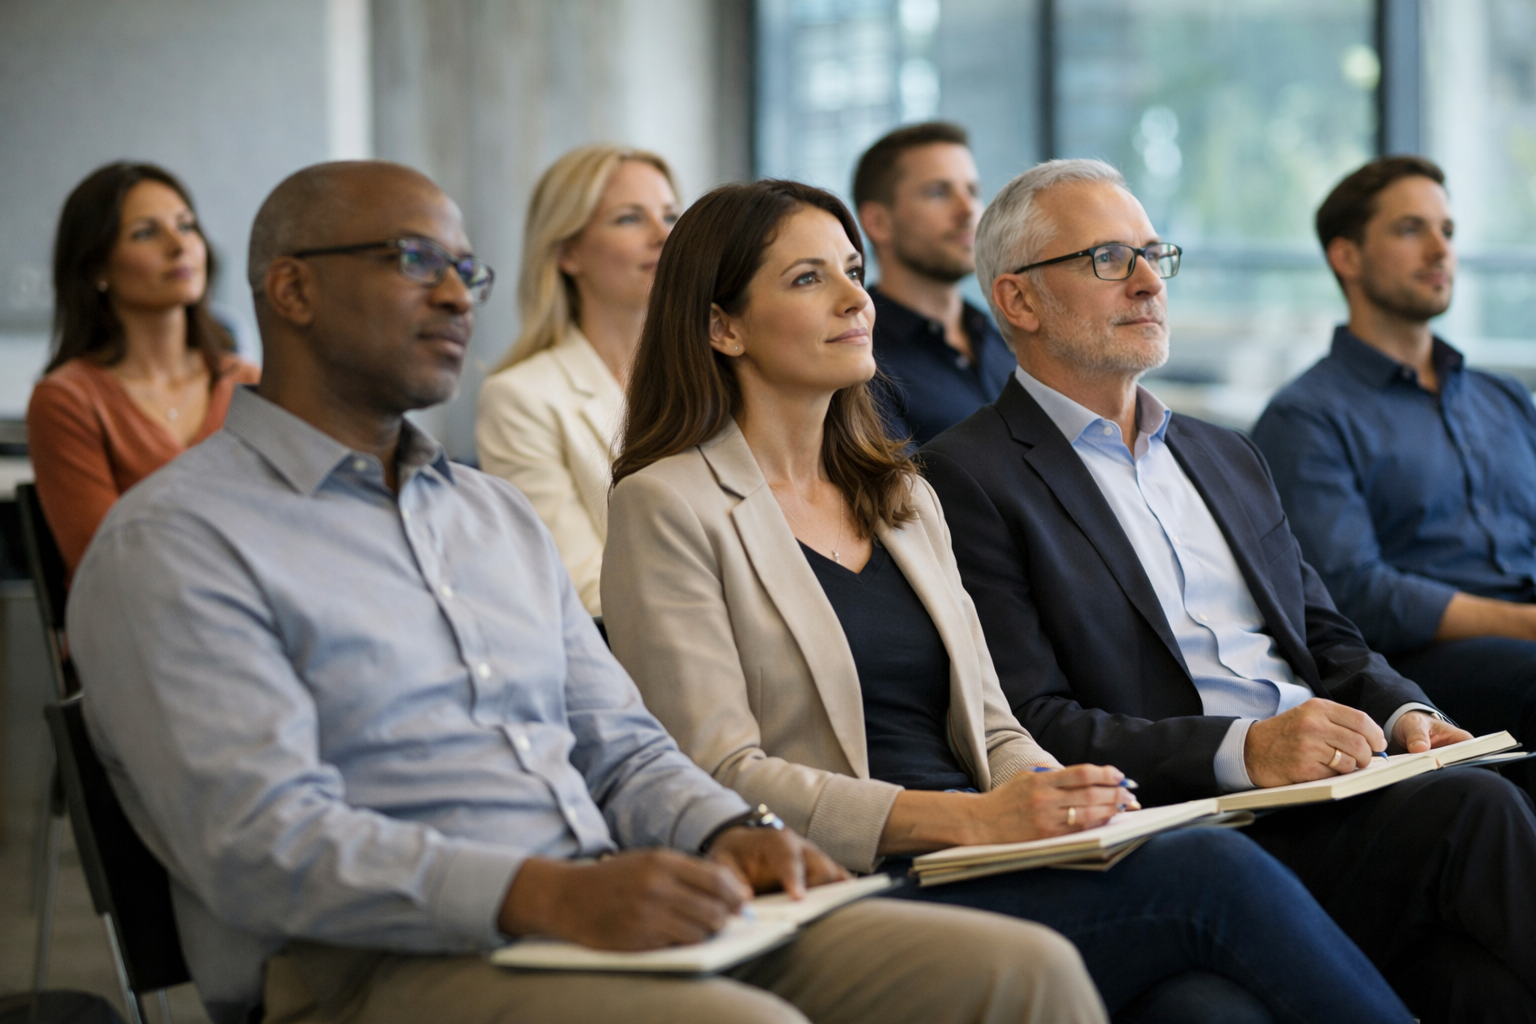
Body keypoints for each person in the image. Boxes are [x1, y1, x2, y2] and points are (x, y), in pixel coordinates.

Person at [67, 160, 1109, 1024]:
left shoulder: (488, 516)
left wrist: (729, 835)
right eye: (413, 261)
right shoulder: (179, 540)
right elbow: (260, 844)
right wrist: (545, 893)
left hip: (600, 914)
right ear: (292, 290)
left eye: (464, 269)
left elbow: (625, 748)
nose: (455, 296)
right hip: (371, 964)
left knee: (1021, 974)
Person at [601, 178, 1413, 1024]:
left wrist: (1058, 796)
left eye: (853, 270)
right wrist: (968, 820)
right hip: (851, 881)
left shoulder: (901, 495)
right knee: (1213, 872)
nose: (855, 298)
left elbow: (993, 726)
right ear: (722, 327)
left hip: (981, 855)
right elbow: (718, 772)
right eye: (809, 279)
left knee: (1205, 1011)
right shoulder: (668, 503)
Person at [920, 157, 1536, 1023]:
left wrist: (1406, 714)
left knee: (1478, 946)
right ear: (1018, 301)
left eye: (1153, 255)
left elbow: (1327, 635)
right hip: (1193, 824)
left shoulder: (1223, 453)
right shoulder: (964, 477)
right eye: (1108, 259)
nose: (1147, 282)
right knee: (1473, 821)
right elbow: (1033, 720)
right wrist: (1246, 749)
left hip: (1337, 795)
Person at [1251, 156, 1536, 768]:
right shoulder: (1305, 417)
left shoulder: (1505, 398)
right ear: (1346, 257)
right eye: (1411, 229)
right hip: (1418, 670)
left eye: (1447, 231)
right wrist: (1524, 623)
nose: (1440, 249)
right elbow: (1355, 591)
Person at [26, 161, 260, 579]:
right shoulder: (66, 399)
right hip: (142, 612)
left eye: (186, 226)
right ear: (97, 268)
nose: (179, 245)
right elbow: (105, 565)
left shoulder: (249, 383)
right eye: (145, 233)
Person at [476, 145, 679, 614]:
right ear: (568, 253)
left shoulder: (725, 375)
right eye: (630, 218)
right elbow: (583, 588)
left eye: (670, 215)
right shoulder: (520, 399)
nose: (664, 235)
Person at [853, 123, 1013, 446]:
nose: (968, 210)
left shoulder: (1002, 338)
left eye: (973, 191)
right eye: (938, 192)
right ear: (878, 222)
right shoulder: (861, 359)